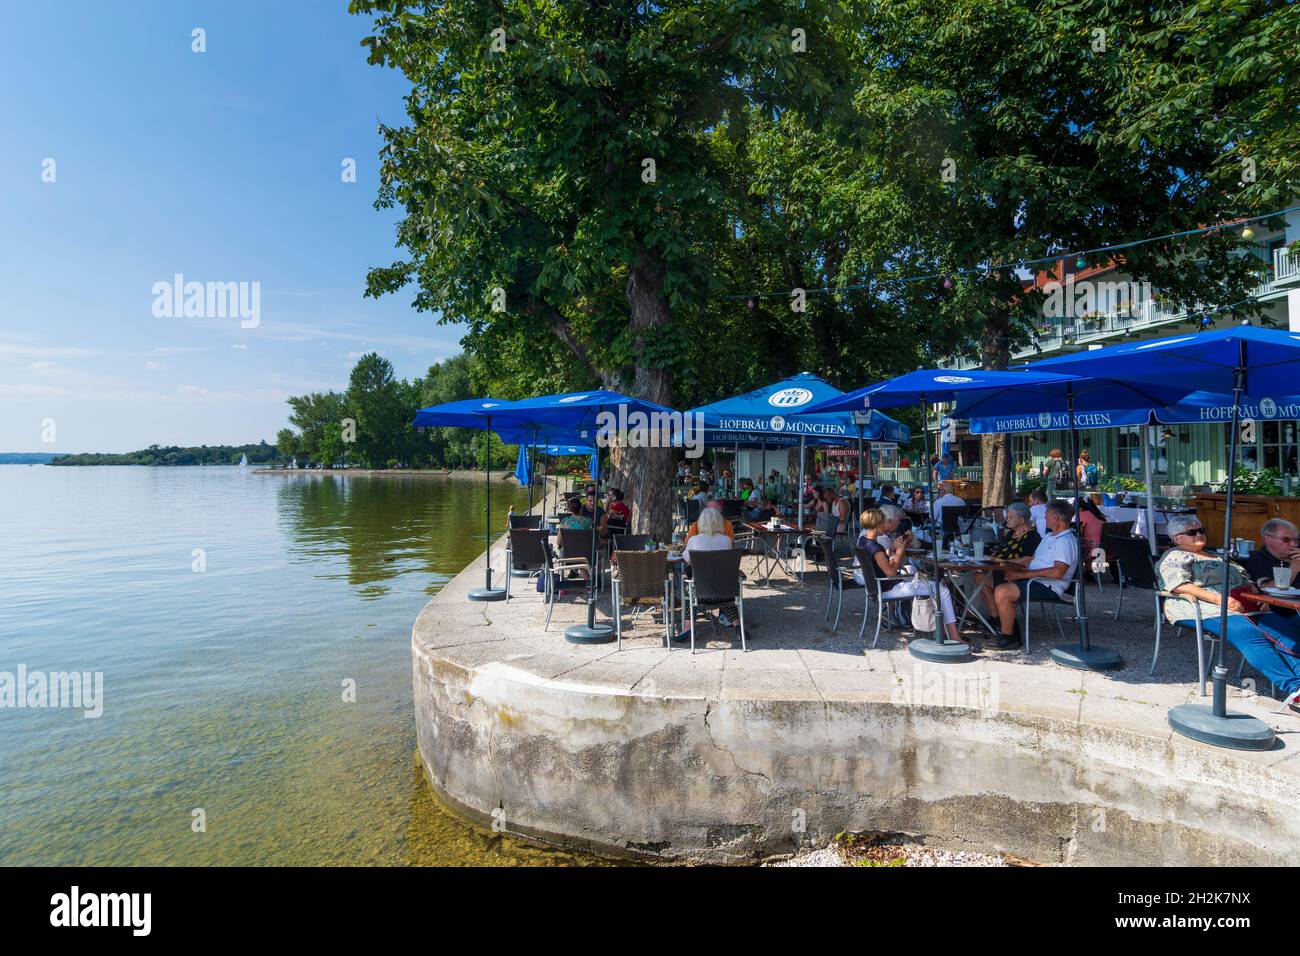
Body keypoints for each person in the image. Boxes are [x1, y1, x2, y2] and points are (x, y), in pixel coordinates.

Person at [1157, 514, 1300, 710]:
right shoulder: (1175, 556)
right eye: (1192, 532)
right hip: (1202, 607)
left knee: (1286, 630)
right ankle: (1294, 689)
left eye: (1201, 530)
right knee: (1250, 636)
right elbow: (1180, 585)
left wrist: (1259, 597)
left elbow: (1245, 580)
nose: (1199, 534)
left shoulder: (1218, 556)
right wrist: (1219, 599)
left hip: (1244, 606)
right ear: (1177, 538)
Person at [855, 508, 968, 646]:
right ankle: (954, 635)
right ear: (877, 524)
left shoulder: (863, 541)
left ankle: (937, 627)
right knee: (942, 590)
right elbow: (891, 573)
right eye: (883, 522)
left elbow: (883, 567)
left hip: (877, 587)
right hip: (888, 588)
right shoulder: (876, 547)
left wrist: (894, 552)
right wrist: (900, 551)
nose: (885, 525)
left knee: (920, 577)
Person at [987, 500, 1080, 648]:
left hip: (1049, 586)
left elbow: (1057, 573)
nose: (1045, 519)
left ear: (1055, 517)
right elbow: (1032, 559)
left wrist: (1022, 575)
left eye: (1047, 516)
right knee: (987, 580)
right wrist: (1005, 563)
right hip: (1036, 579)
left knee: (1002, 591)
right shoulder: (1051, 537)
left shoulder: (1066, 542)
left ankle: (1010, 637)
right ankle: (998, 621)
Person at [676, 506, 746, 642]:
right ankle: (737, 624)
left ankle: (687, 628)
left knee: (689, 587)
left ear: (700, 523)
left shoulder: (694, 540)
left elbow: (686, 559)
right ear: (719, 523)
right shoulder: (726, 540)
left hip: (701, 593)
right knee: (721, 586)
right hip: (725, 592)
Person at [973, 501, 1041, 618]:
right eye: (1007, 517)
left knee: (980, 577)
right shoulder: (1010, 534)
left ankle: (998, 617)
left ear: (1021, 520)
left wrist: (1004, 562)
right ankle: (995, 616)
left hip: (1015, 575)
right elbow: (1001, 552)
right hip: (1000, 570)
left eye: (1010, 517)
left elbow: (1027, 560)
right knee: (977, 576)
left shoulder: (1032, 536)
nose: (1007, 520)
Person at [1242, 518, 1300, 634]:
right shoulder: (1257, 559)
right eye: (1286, 540)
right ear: (1268, 539)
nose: (1294, 544)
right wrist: (1293, 569)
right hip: (1282, 614)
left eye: (1296, 540)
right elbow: (1268, 591)